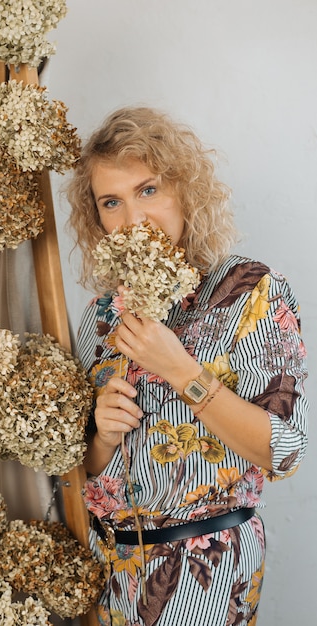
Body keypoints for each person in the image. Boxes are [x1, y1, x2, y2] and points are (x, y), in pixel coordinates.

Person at [66, 106, 309, 626]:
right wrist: (101, 439)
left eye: (148, 190)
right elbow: (79, 470)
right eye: (112, 202)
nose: (133, 219)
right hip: (101, 573)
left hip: (204, 572)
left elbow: (283, 450)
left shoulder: (249, 291)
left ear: (184, 188)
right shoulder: (98, 317)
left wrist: (183, 373)